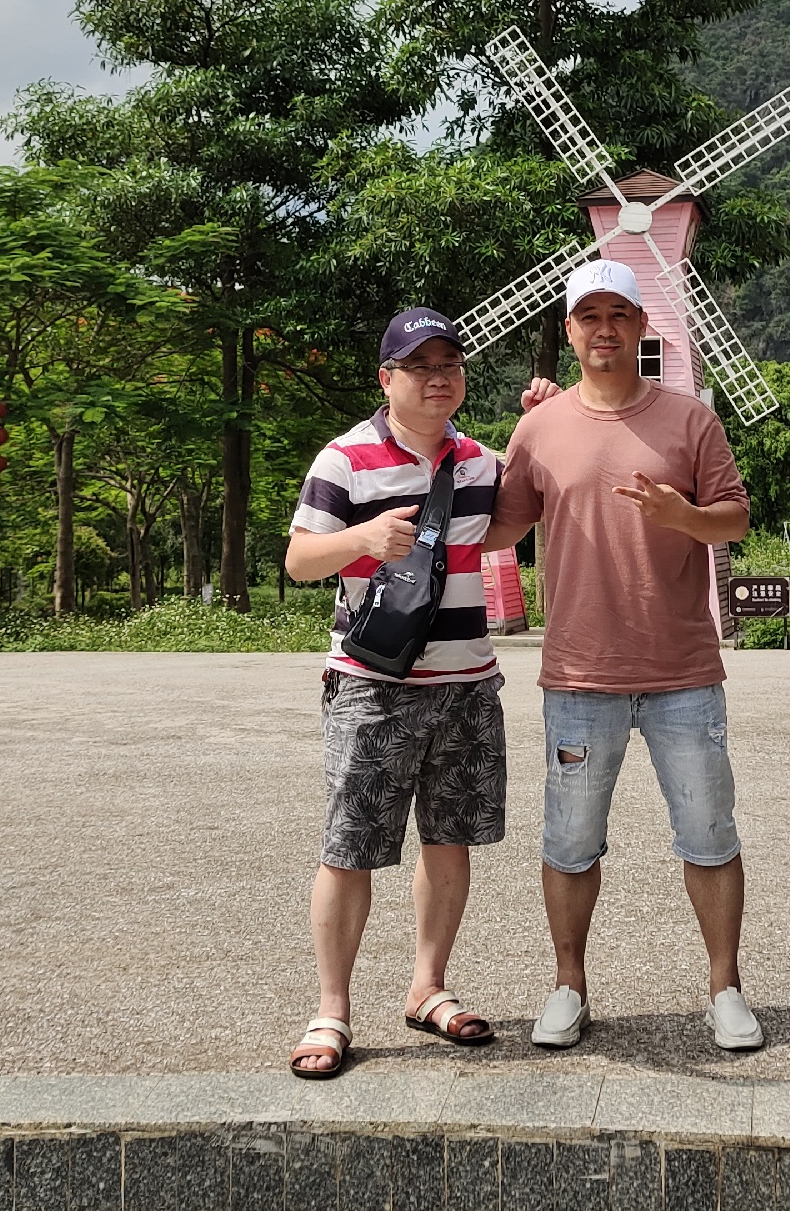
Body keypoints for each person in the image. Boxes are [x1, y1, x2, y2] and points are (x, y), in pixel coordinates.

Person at [485, 258, 764, 1052]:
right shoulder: (538, 428)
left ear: (643, 326)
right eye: (588, 316)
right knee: (569, 841)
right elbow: (505, 525)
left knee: (710, 834)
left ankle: (726, 989)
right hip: (579, 675)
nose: (603, 328)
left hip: (683, 672)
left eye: (619, 315)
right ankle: (568, 985)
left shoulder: (690, 421)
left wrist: (684, 516)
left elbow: (734, 519)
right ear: (569, 331)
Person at [281, 307, 506, 1077]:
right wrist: (362, 541)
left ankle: (427, 988)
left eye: (451, 365)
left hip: (468, 683)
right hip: (373, 685)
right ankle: (331, 1010)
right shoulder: (345, 459)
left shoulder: (482, 463)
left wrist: (541, 427)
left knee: (450, 842)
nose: (439, 378)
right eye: (420, 367)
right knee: (349, 849)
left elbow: (519, 522)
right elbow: (299, 561)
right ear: (387, 379)